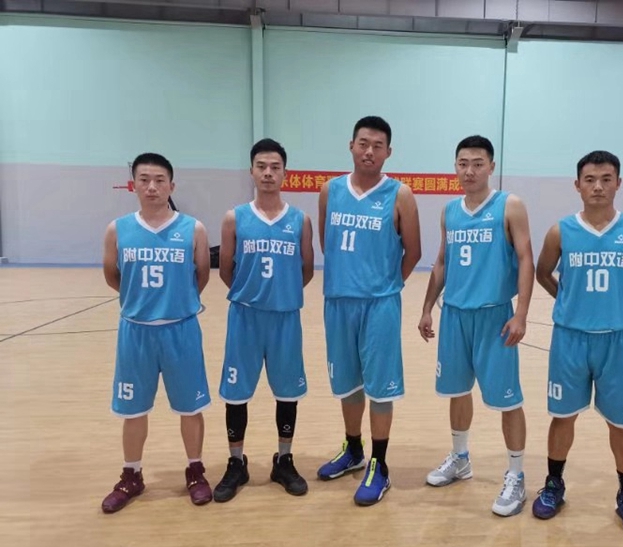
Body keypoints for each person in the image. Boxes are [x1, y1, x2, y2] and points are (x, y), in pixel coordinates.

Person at [532, 150, 623, 539]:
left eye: (606, 179)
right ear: (577, 185)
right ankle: (554, 485)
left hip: (617, 340)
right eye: (589, 179)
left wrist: (612, 306)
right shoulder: (560, 231)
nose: (598, 186)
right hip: (570, 338)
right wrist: (571, 302)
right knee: (562, 416)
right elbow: (543, 273)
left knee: (622, 424)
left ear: (618, 183)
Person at [418, 135, 534, 517]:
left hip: (494, 316)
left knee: (508, 400)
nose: (469, 171)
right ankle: (460, 458)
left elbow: (526, 258)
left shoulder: (509, 205)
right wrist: (427, 307)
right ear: (455, 166)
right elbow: (442, 262)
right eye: (463, 163)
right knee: (457, 391)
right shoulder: (449, 211)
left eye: (478, 163)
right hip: (454, 315)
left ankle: (516, 475)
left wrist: (521, 314)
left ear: (491, 167)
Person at [316, 116, 422, 506]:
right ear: (351, 145)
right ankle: (353, 448)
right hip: (338, 301)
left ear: (388, 152)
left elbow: (414, 252)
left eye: (378, 145)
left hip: (380, 304)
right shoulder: (330, 191)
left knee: (379, 386)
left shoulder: (400, 195)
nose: (369, 151)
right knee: (347, 383)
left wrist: (384, 285)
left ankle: (380, 463)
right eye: (363, 143)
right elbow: (328, 243)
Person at [101, 152, 213, 513]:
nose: (152, 187)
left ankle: (195, 471)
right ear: (133, 185)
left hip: (181, 330)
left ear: (171, 186)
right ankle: (131, 474)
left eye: (159, 180)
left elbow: (201, 276)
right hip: (136, 332)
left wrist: (176, 302)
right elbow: (113, 276)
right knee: (133, 410)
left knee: (190, 407)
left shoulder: (193, 229)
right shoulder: (118, 230)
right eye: (144, 180)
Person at [212, 138, 314, 502]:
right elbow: (226, 269)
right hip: (245, 317)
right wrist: (253, 294)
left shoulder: (300, 220)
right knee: (236, 392)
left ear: (285, 173)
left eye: (275, 167)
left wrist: (280, 294)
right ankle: (236, 463)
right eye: (261, 166)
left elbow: (305, 269)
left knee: (287, 392)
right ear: (252, 171)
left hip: (285, 318)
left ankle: (283, 460)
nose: (268, 173)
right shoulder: (234, 218)